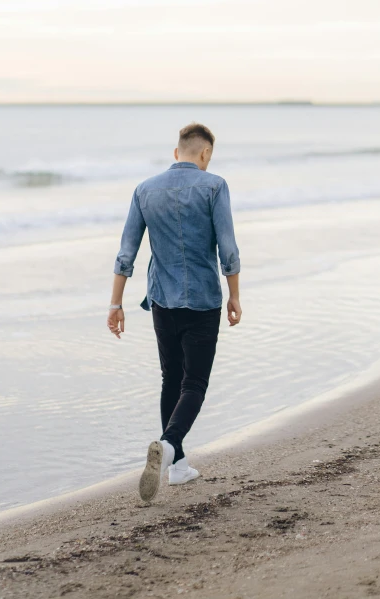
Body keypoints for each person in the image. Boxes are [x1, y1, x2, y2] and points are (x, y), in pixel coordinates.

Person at [107, 122, 242, 502]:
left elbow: (126, 252)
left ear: (175, 152)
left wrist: (116, 304)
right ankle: (168, 448)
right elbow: (228, 249)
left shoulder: (144, 190)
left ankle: (179, 467)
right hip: (202, 299)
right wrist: (234, 294)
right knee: (194, 383)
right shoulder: (214, 185)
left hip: (162, 301)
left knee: (171, 378)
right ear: (205, 154)